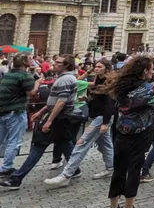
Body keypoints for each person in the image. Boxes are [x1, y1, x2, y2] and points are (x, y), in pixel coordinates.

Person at [1, 55, 80, 191]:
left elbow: (60, 102)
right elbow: (53, 101)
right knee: (65, 143)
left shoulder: (66, 79)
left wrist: (48, 120)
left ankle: (17, 179)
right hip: (60, 117)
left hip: (59, 118)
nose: (54, 64)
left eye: (58, 62)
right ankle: (75, 169)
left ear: (66, 65)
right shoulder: (63, 78)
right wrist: (41, 112)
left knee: (38, 147)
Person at [100, 56, 154, 208]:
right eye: (151, 69)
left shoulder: (121, 87)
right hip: (140, 131)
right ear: (144, 71)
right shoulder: (149, 88)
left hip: (120, 130)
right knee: (134, 169)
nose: (153, 71)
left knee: (119, 168)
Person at [44, 59, 117, 187]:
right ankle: (110, 168)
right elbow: (98, 99)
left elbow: (110, 103)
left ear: (106, 68)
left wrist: (105, 122)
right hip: (97, 115)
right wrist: (87, 99)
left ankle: (67, 174)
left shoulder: (109, 81)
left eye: (100, 67)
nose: (96, 69)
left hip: (102, 117)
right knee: (105, 145)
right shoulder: (98, 80)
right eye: (96, 66)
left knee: (81, 143)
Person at [0, 54, 40, 178]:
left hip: (3, 111)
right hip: (15, 112)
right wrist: (38, 82)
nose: (32, 60)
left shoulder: (8, 74)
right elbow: (32, 92)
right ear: (24, 62)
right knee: (14, 141)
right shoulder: (24, 75)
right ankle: (6, 168)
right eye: (30, 59)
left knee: (1, 140)